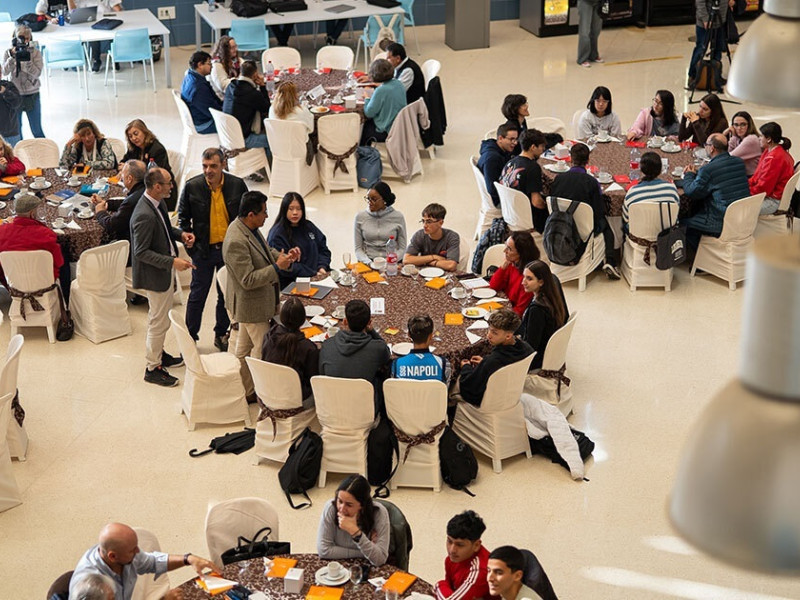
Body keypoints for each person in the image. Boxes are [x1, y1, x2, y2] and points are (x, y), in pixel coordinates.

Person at [223, 191, 299, 402]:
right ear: (250, 214)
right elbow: (247, 280)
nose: (267, 216)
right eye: (264, 213)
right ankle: (259, 392)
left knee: (244, 348)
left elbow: (265, 250)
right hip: (251, 306)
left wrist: (283, 257)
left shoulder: (249, 228)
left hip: (251, 305)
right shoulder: (236, 240)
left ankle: (243, 389)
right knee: (261, 350)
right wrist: (277, 267)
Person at [130, 168, 195, 387]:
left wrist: (180, 234)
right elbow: (140, 252)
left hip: (163, 272)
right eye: (168, 183)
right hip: (155, 275)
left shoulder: (158, 203)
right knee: (158, 321)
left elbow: (166, 230)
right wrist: (172, 262)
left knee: (162, 318)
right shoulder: (144, 215)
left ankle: (159, 354)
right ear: (157, 187)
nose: (172, 186)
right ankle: (152, 367)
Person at [178, 147, 247, 350]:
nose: (208, 170)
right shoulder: (192, 187)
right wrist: (189, 243)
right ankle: (190, 337)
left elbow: (246, 216)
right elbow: (183, 217)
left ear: (223, 165)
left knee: (225, 295)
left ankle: (221, 334)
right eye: (205, 166)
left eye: (213, 166)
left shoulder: (237, 185)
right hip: (203, 251)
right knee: (197, 295)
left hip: (229, 251)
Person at [70, 522, 217, 600]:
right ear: (112, 556)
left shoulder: (123, 557)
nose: (138, 552)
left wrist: (188, 559)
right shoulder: (89, 589)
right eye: (132, 550)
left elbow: (151, 562)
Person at [549, 142, 620, 279]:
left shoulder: (558, 178)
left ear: (570, 158)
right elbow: (599, 210)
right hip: (584, 228)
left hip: (560, 222)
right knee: (606, 225)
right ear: (588, 160)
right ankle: (611, 260)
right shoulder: (591, 182)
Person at [319, 299, 391, 413]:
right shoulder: (377, 348)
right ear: (369, 322)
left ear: (344, 321)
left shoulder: (327, 345)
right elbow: (387, 355)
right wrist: (372, 332)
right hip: (363, 412)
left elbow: (321, 373)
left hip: (332, 409)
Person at [681, 133, 750, 247]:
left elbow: (691, 192)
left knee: (682, 223)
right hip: (742, 218)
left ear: (712, 148)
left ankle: (706, 255)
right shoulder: (738, 162)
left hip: (719, 221)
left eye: (706, 145)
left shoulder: (708, 170)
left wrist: (689, 175)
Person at [457, 309, 534, 407]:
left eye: (495, 333)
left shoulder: (493, 361)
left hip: (488, 401)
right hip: (511, 393)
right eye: (489, 329)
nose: (489, 335)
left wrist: (466, 368)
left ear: (508, 336)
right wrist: (483, 364)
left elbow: (470, 387)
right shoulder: (527, 349)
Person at [317, 474, 390, 566]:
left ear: (362, 506)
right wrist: (366, 551)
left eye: (349, 505)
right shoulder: (330, 508)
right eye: (340, 501)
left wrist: (356, 533)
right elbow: (323, 550)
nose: (342, 509)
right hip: (337, 566)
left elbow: (380, 559)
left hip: (366, 567)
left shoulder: (379, 513)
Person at [261, 297, 319, 409]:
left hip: (268, 393)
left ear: (281, 318)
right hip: (296, 400)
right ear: (303, 320)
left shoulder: (268, 337)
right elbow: (313, 380)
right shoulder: (308, 348)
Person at [267, 191, 332, 289]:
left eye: (298, 209)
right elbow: (286, 266)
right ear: (284, 210)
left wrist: (322, 267)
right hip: (294, 283)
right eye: (291, 209)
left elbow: (323, 249)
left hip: (319, 275)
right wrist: (313, 273)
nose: (295, 213)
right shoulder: (277, 234)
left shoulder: (309, 226)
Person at [0, 193, 64, 289]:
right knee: (65, 258)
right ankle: (66, 296)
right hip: (44, 285)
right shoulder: (46, 234)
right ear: (32, 214)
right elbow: (59, 262)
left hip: (14, 286)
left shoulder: (2, 231)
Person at [518, 261, 569, 371]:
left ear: (541, 282)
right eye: (524, 277)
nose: (523, 282)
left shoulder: (537, 310)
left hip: (536, 359)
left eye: (529, 279)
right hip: (549, 353)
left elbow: (530, 347)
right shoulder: (552, 292)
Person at [2, 25, 45, 143]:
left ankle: (44, 150)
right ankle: (19, 157)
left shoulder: (35, 53)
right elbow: (5, 72)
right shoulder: (8, 52)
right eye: (21, 38)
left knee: (36, 129)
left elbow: (37, 73)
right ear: (15, 38)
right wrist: (12, 57)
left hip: (32, 93)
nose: (24, 41)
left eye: (27, 38)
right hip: (15, 95)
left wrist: (26, 60)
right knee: (17, 130)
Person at [435, 510, 491, 600]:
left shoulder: (480, 571)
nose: (452, 550)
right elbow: (450, 588)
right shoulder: (452, 559)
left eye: (460, 545)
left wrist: (439, 585)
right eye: (449, 541)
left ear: (476, 545)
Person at [499, 129, 547, 233]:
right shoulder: (533, 168)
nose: (543, 150)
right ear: (533, 147)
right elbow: (536, 202)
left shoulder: (510, 162)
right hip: (527, 218)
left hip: (510, 213)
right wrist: (548, 205)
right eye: (541, 147)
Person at [121, 119, 176, 209]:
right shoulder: (134, 148)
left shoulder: (157, 149)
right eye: (130, 136)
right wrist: (124, 166)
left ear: (144, 132)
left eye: (136, 134)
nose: (134, 138)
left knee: (129, 204)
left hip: (161, 190)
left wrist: (130, 169)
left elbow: (155, 176)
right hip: (143, 186)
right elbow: (124, 161)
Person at [93, 159, 146, 247]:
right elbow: (125, 203)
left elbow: (111, 225)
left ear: (129, 179)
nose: (121, 176)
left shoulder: (132, 201)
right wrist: (106, 203)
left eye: (122, 173)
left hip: (131, 247)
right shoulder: (144, 190)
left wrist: (100, 212)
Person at [222, 60, 271, 155]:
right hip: (243, 139)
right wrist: (262, 86)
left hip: (226, 134)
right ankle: (270, 165)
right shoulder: (253, 94)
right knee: (274, 140)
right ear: (255, 75)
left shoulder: (230, 86)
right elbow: (267, 108)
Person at [489, 231, 541, 317]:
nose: (504, 251)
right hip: (507, 308)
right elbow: (493, 286)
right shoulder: (513, 264)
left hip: (514, 319)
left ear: (521, 253)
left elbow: (519, 312)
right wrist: (502, 268)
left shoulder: (529, 277)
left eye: (509, 249)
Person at [622, 151, 680, 227]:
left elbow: (626, 218)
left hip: (639, 236)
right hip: (666, 235)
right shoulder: (671, 189)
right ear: (660, 169)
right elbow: (676, 212)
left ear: (641, 169)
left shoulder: (633, 192)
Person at [354, 181, 407, 264]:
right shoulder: (360, 217)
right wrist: (369, 263)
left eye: (374, 199)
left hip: (391, 262)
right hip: (368, 261)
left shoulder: (398, 217)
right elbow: (358, 249)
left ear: (384, 200)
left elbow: (402, 248)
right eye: (368, 199)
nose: (369, 203)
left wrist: (389, 261)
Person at [749, 122, 794, 215]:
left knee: (738, 208)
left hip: (772, 201)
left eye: (761, 136)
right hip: (767, 195)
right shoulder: (770, 151)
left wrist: (745, 192)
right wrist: (745, 185)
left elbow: (764, 188)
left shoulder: (774, 158)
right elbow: (756, 176)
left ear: (769, 139)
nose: (759, 138)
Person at [391, 315, 451, 383]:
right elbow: (444, 388)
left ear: (409, 335)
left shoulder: (397, 364)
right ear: (431, 336)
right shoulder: (443, 364)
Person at [361, 58, 406, 146]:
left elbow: (369, 113)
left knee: (363, 127)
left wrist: (367, 98)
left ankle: (365, 154)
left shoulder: (381, 90)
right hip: (400, 126)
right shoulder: (398, 83)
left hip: (386, 130)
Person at [403, 203, 460, 271]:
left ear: (440, 223)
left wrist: (430, 262)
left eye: (429, 222)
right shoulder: (419, 235)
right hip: (424, 273)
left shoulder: (452, 237)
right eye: (423, 221)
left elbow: (451, 265)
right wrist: (433, 257)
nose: (424, 225)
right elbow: (406, 260)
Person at [687, 0, 731, 89]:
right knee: (701, 49)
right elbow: (700, 2)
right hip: (705, 23)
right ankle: (693, 76)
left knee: (718, 48)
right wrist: (705, 19)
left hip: (720, 21)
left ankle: (715, 75)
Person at [181, 51, 222, 135]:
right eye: (209, 64)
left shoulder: (189, 75)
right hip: (203, 124)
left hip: (197, 117)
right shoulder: (198, 88)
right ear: (200, 65)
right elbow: (213, 112)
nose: (211, 67)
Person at [478, 123, 519, 208]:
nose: (515, 143)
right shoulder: (492, 159)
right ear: (500, 138)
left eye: (516, 139)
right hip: (500, 201)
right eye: (511, 139)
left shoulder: (497, 149)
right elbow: (492, 190)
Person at [725, 111, 761, 176]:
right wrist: (733, 136)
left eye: (743, 124)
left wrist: (724, 134)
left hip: (753, 177)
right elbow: (728, 152)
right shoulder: (738, 138)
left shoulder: (751, 139)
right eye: (736, 125)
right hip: (742, 175)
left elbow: (729, 158)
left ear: (749, 125)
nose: (739, 128)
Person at [210, 35, 240, 101]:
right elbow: (224, 86)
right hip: (222, 99)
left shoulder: (234, 60)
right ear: (224, 50)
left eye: (235, 46)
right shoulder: (216, 65)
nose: (236, 49)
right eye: (232, 48)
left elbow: (244, 67)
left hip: (233, 93)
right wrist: (241, 79)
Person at [577, 0, 603, 68]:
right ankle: (582, 58)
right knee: (585, 31)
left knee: (596, 30)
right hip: (585, 2)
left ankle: (593, 55)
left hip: (598, 2)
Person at [0, 79, 21, 146]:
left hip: (10, 135)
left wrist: (5, 92)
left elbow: (17, 103)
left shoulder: (8, 85)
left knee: (14, 155)